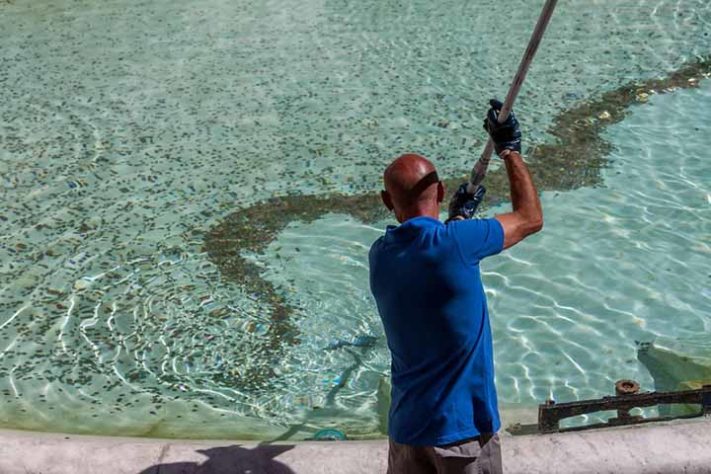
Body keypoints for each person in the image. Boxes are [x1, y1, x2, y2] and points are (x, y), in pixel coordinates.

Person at [369, 100, 543, 474]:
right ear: (443, 190)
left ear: (387, 202)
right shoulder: (459, 243)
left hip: (407, 433)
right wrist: (509, 150)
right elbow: (530, 218)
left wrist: (458, 218)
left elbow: (429, 253)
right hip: (461, 436)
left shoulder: (380, 256)